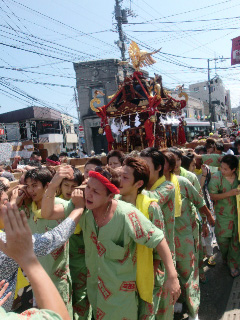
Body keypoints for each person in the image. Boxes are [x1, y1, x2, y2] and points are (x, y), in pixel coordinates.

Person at [41, 166, 181, 320]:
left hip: (121, 299)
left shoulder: (126, 214)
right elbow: (47, 213)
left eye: (96, 192)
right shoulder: (84, 209)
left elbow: (158, 239)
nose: (89, 194)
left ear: (110, 197)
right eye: (88, 187)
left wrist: (172, 277)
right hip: (95, 294)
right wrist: (54, 185)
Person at [10, 168, 77, 317]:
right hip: (37, 277)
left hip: (58, 277)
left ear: (47, 186)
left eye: (35, 185)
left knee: (61, 315)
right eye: (28, 185)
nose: (31, 190)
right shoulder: (27, 207)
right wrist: (17, 196)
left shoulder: (59, 205)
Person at [163, 151, 214, 320]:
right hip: (162, 240)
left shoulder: (184, 181)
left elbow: (200, 203)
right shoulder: (150, 188)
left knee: (189, 274)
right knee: (169, 273)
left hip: (184, 235)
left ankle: (193, 311)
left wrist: (207, 220)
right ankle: (177, 301)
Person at [0, 203, 73, 320]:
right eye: (5, 202)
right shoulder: (6, 244)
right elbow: (53, 238)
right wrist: (27, 258)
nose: (10, 204)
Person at [119, 156, 166, 319]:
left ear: (138, 184)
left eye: (125, 177)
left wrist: (149, 276)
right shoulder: (112, 203)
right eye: (119, 175)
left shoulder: (151, 207)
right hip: (119, 278)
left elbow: (159, 248)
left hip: (146, 276)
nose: (119, 180)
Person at [139, 147, 176, 320]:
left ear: (159, 167)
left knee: (162, 307)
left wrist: (130, 182)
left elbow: (151, 198)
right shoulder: (141, 187)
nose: (141, 170)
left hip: (162, 255)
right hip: (144, 253)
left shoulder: (167, 187)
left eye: (144, 166)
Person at [56, 167, 91, 320]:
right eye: (66, 185)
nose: (70, 190)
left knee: (81, 293)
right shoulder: (55, 203)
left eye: (73, 186)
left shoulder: (85, 204)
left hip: (80, 256)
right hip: (60, 257)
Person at [208, 155, 240, 277]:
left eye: (225, 169)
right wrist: (229, 194)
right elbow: (212, 196)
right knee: (222, 239)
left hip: (237, 215)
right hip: (223, 215)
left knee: (235, 241)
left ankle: (233, 265)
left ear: (234, 169)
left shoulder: (238, 176)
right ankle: (226, 258)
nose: (222, 170)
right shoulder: (216, 177)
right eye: (221, 167)